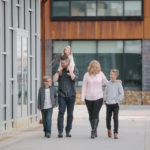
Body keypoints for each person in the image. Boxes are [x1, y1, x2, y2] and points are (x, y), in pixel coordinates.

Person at [81, 60, 108, 139]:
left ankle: (93, 131)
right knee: (91, 116)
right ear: (92, 68)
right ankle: (94, 130)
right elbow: (84, 87)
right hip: (88, 98)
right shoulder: (86, 75)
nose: (97, 69)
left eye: (98, 68)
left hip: (99, 97)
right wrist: (82, 98)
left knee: (95, 114)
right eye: (95, 68)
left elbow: (107, 83)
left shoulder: (101, 74)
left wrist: (115, 82)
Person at [53, 55, 78, 138]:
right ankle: (60, 131)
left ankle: (68, 131)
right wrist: (57, 71)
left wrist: (70, 71)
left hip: (71, 95)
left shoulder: (74, 69)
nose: (62, 64)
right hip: (62, 95)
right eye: (61, 62)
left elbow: (74, 79)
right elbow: (54, 80)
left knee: (70, 114)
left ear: (67, 62)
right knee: (61, 113)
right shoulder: (60, 70)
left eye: (63, 63)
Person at [104, 69, 124, 139]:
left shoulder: (119, 84)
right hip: (108, 104)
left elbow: (121, 93)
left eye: (112, 74)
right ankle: (109, 129)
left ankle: (116, 132)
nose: (110, 76)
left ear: (116, 76)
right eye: (110, 74)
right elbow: (106, 92)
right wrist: (105, 99)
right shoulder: (108, 83)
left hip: (115, 104)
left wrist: (117, 100)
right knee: (107, 118)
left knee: (115, 118)